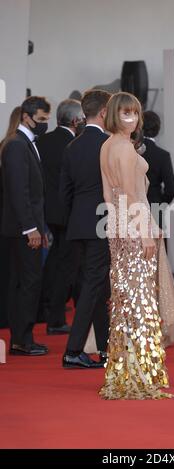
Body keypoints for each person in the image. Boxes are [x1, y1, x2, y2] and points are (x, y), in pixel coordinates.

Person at [99, 92, 174, 400]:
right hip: (132, 228)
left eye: (135, 114)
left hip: (116, 226)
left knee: (123, 301)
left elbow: (108, 196)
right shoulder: (127, 150)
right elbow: (132, 196)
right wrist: (145, 233)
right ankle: (141, 375)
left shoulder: (106, 146)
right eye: (126, 114)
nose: (131, 120)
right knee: (140, 302)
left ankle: (123, 371)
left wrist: (121, 226)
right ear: (115, 115)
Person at [60, 89, 111, 369]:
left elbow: (63, 193)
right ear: (104, 112)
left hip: (78, 225)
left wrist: (73, 221)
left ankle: (104, 348)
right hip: (102, 224)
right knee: (94, 286)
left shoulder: (73, 146)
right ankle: (73, 350)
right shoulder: (109, 144)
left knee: (98, 286)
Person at [1, 96, 51, 356]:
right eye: (41, 120)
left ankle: (22, 337)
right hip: (21, 230)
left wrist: (38, 227)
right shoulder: (17, 146)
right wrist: (30, 228)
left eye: (46, 119)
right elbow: (19, 193)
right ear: (26, 117)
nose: (44, 124)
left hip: (28, 227)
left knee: (25, 282)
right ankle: (22, 339)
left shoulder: (25, 144)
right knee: (27, 283)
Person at [37, 99, 85, 335]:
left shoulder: (41, 141)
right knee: (67, 265)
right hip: (70, 213)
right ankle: (55, 318)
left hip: (48, 212)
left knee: (56, 261)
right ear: (76, 121)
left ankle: (48, 309)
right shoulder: (75, 144)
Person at [0, 106, 21, 328]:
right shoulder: (16, 147)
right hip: (13, 219)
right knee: (13, 273)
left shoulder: (4, 146)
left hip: (6, 217)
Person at [142, 110, 174, 229]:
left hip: (131, 208)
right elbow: (171, 188)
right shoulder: (162, 155)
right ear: (158, 129)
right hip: (155, 209)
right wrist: (160, 203)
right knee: (156, 246)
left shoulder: (130, 152)